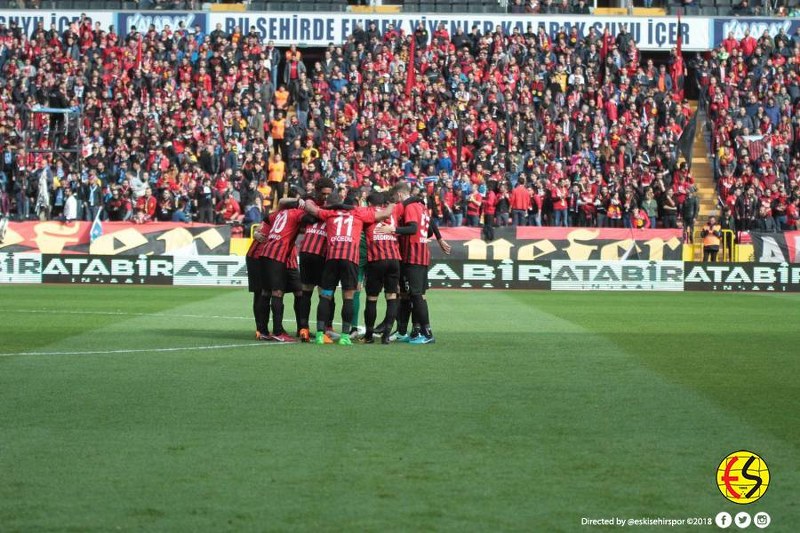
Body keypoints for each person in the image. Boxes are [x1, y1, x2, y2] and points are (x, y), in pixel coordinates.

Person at [303, 191, 395, 346]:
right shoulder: (359, 213)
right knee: (349, 297)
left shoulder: (330, 213)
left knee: (325, 296)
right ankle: (345, 336)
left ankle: (319, 334)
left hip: (332, 259)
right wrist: (393, 202)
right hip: (350, 259)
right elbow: (384, 214)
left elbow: (310, 208)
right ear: (355, 204)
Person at [387, 182, 451, 345]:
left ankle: (427, 333)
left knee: (415, 295)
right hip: (422, 254)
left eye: (395, 198)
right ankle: (415, 332)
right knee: (415, 295)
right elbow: (430, 225)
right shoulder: (421, 206)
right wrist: (439, 237)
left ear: (400, 195)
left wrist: (393, 230)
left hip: (412, 256)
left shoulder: (410, 207)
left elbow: (413, 229)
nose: (396, 202)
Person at [362, 191, 402, 345]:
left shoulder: (368, 213)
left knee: (372, 298)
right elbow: (399, 203)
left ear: (369, 203)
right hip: (394, 259)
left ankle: (369, 335)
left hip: (377, 260)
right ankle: (386, 336)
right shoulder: (393, 211)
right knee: (391, 297)